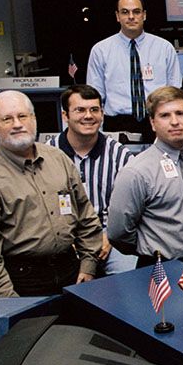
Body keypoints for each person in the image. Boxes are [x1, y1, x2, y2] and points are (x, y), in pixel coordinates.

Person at [0, 91, 101, 297]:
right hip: (22, 280)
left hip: (72, 270)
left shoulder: (58, 159)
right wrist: (9, 299)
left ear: (34, 119)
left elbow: (85, 216)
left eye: (23, 116)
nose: (17, 124)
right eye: (7, 119)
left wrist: (88, 265)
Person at [107, 87, 183, 268]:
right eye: (165, 116)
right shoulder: (136, 172)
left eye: (180, 113)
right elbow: (118, 233)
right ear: (152, 123)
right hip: (164, 271)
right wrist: (151, 247)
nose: (175, 121)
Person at [47, 85, 134, 275]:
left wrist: (110, 236)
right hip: (65, 240)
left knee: (130, 279)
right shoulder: (47, 155)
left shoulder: (120, 155)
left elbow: (131, 207)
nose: (88, 116)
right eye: (80, 110)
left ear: (102, 114)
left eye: (94, 110)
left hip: (111, 237)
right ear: (65, 115)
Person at [87, 0, 179, 138]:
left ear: (144, 15)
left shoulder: (164, 48)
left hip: (158, 120)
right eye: (125, 12)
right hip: (117, 123)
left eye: (136, 12)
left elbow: (175, 91)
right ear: (117, 16)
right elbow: (94, 96)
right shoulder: (101, 50)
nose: (131, 16)